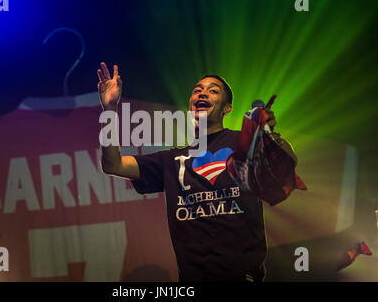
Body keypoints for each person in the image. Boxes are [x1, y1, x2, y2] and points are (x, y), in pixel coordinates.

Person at [97, 62, 293, 282]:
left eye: (213, 90)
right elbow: (113, 165)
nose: (203, 93)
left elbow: (284, 170)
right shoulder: (171, 160)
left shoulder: (243, 143)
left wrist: (270, 136)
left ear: (227, 108)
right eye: (198, 90)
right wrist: (110, 111)